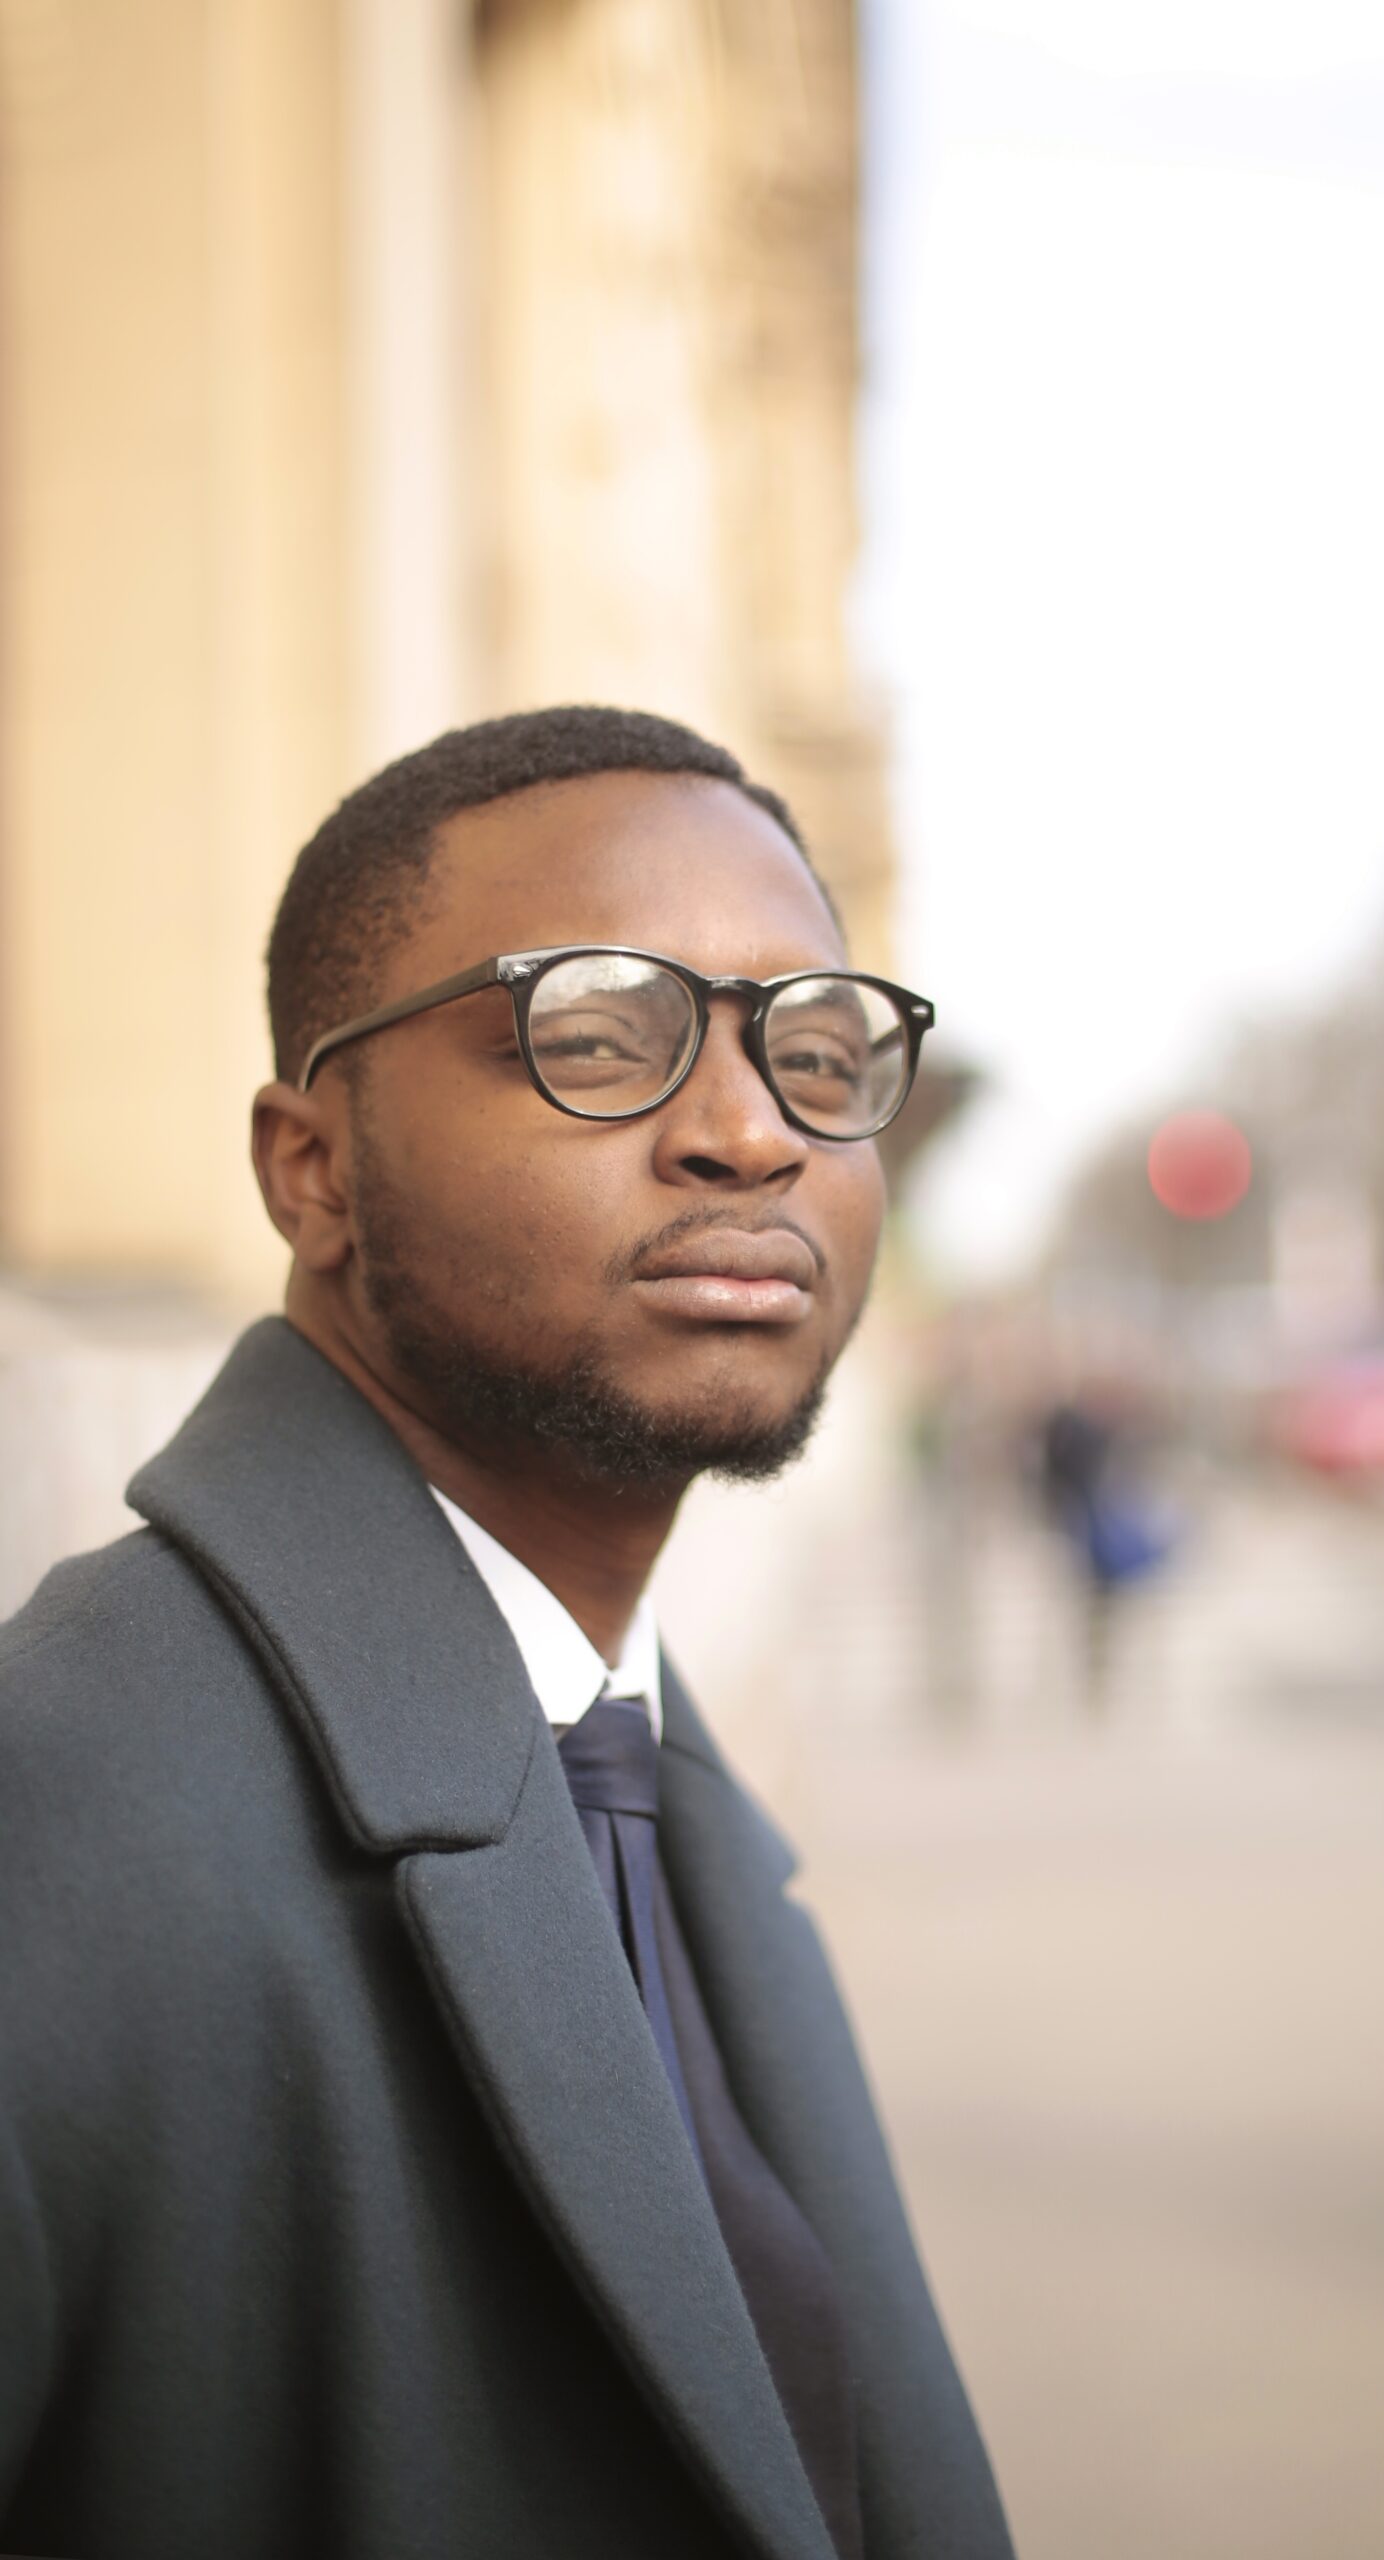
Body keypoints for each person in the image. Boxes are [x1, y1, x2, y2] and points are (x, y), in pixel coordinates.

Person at [0, 708, 1015, 2560]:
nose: (745, 1133)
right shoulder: (56, 1817)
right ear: (313, 1170)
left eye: (814, 1047)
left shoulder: (634, 1765)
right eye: (598, 1037)